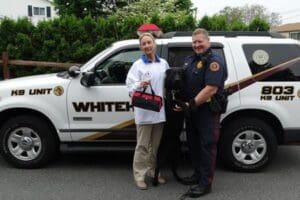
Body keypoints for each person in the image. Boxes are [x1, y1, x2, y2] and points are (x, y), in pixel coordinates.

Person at [176, 28, 227, 198]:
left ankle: (206, 184)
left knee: (207, 147)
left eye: (200, 42)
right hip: (193, 110)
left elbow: (211, 89)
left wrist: (190, 104)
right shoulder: (191, 59)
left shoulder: (214, 61)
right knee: (194, 145)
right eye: (194, 42)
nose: (197, 45)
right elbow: (186, 82)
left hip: (207, 111)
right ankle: (197, 175)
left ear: (208, 42)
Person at [125, 32, 169, 190]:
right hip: (143, 112)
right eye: (144, 44)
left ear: (154, 44)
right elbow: (129, 85)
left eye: (149, 42)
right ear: (140, 47)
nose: (147, 46)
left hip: (159, 111)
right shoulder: (137, 65)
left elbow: (168, 83)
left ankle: (152, 171)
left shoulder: (163, 63)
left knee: (154, 146)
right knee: (142, 146)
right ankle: (139, 175)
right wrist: (139, 84)